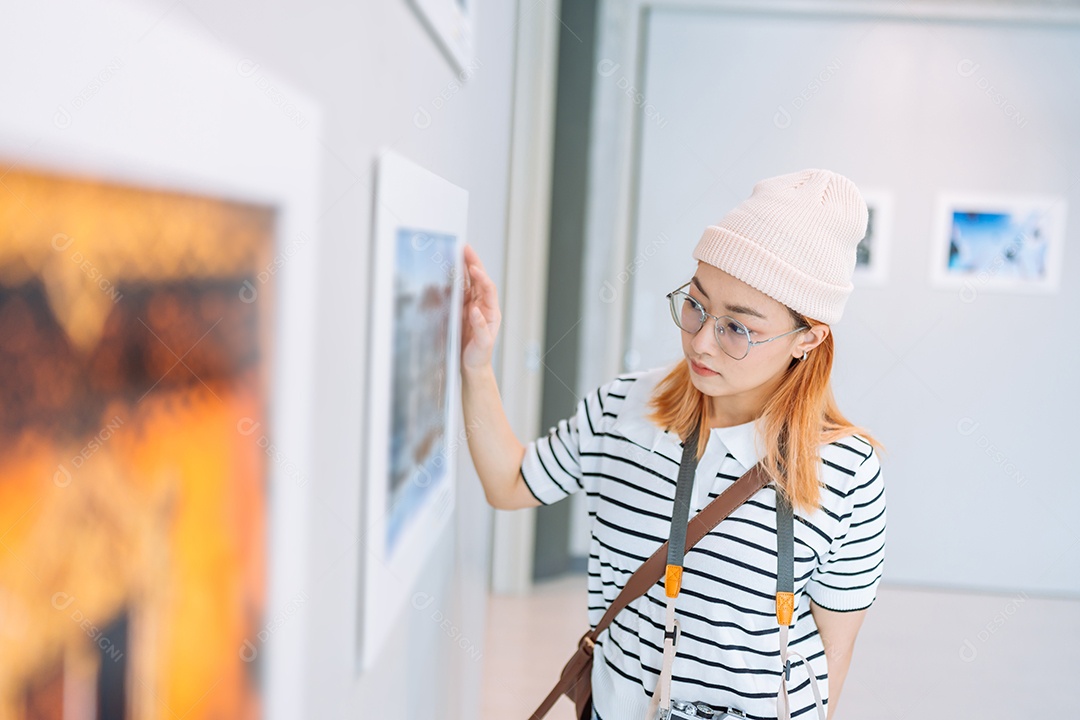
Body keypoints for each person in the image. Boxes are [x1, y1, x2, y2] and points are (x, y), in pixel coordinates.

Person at [461, 169, 886, 720]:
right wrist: (476, 367)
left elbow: (834, 653)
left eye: (739, 328)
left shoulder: (848, 470)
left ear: (809, 337)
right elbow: (511, 482)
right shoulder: (625, 407)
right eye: (696, 304)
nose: (701, 341)